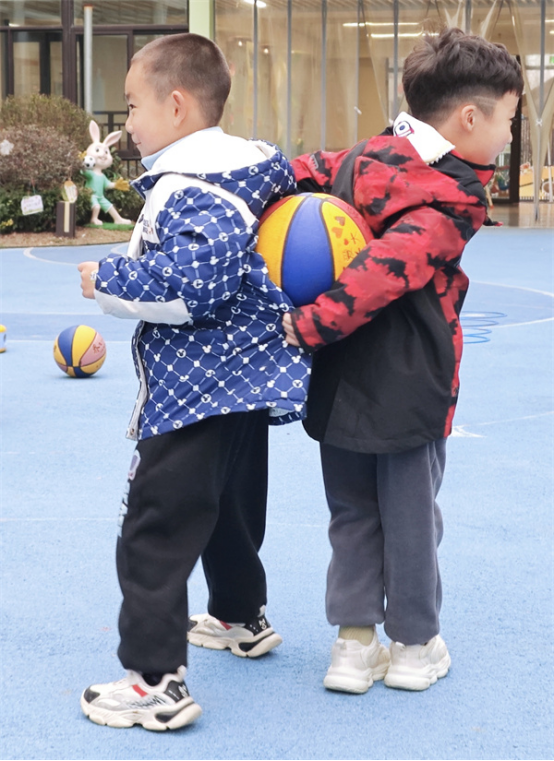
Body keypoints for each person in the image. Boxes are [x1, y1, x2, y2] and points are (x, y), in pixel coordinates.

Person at [77, 33, 310, 730]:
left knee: (154, 529)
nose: (127, 124)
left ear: (175, 106)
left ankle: (154, 681)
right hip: (244, 383)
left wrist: (109, 279)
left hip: (193, 389)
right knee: (229, 510)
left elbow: (193, 285)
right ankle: (240, 615)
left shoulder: (190, 186)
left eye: (131, 106)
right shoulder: (250, 169)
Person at [282, 28, 523, 694]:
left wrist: (240, 179)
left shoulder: (359, 158)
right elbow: (387, 269)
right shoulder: (457, 192)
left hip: (338, 376)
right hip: (411, 381)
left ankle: (353, 646)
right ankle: (414, 645)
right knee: (411, 517)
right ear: (469, 117)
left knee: (352, 511)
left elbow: (294, 173)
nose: (509, 135)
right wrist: (310, 323)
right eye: (507, 120)